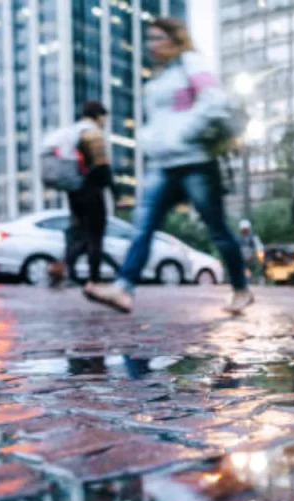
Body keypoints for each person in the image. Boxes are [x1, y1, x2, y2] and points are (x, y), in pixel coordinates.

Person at [85, 17, 253, 314]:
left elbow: (214, 100)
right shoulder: (160, 77)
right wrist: (150, 139)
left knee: (217, 229)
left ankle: (241, 289)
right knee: (143, 226)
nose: (152, 45)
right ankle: (124, 288)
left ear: (176, 39)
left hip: (195, 161)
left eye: (159, 38)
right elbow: (159, 121)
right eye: (149, 39)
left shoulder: (191, 63)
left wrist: (183, 134)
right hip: (163, 164)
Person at [47, 100, 115, 289]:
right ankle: (94, 279)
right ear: (98, 116)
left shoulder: (73, 132)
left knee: (79, 233)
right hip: (92, 191)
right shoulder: (93, 133)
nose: (105, 122)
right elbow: (103, 166)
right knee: (96, 234)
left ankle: (59, 268)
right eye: (104, 118)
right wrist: (116, 195)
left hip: (74, 192)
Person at [238, 219, 264, 285]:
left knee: (258, 267)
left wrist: (258, 252)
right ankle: (247, 280)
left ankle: (260, 279)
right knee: (244, 269)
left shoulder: (253, 236)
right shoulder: (239, 238)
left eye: (245, 229)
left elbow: (258, 245)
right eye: (243, 229)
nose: (244, 230)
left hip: (253, 257)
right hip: (243, 258)